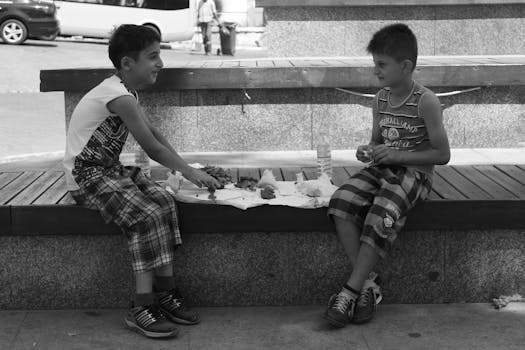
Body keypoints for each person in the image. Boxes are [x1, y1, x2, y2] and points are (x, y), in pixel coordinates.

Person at [63, 24, 220, 339]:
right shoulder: (117, 96)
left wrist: (187, 167)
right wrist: (189, 173)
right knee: (145, 216)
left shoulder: (126, 92)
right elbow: (151, 148)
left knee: (163, 202)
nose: (160, 63)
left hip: (108, 169)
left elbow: (156, 136)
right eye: (153, 56)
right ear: (127, 63)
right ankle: (141, 307)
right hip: (85, 176)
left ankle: (166, 293)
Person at [323, 23, 450, 328]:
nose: (376, 71)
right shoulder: (379, 99)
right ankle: (369, 286)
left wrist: (398, 156)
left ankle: (350, 291)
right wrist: (369, 151)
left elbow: (442, 155)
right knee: (341, 201)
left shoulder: (426, 101)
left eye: (382, 64)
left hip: (416, 176)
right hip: (384, 169)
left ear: (405, 67)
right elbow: (378, 142)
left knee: (381, 211)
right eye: (375, 64)